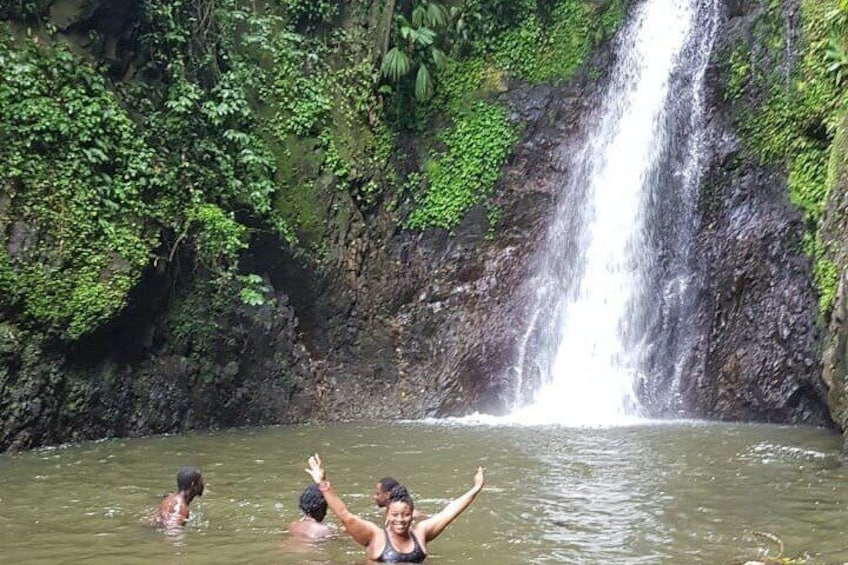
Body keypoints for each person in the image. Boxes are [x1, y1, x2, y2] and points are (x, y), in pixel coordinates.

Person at [305, 453, 484, 562]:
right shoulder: (375, 536)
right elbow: (345, 514)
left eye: (405, 515)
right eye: (395, 514)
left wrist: (475, 489)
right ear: (387, 514)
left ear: (411, 515)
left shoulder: (421, 533)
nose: (400, 520)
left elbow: (449, 512)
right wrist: (322, 482)